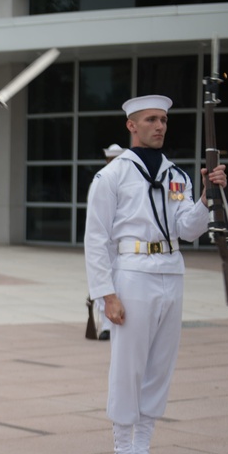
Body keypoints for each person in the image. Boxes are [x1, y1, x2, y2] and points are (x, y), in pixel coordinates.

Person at [84, 94, 227, 454]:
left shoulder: (175, 174)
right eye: (150, 119)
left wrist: (205, 197)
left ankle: (143, 451)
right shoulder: (111, 176)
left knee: (159, 368)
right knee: (129, 368)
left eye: (163, 119)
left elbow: (187, 229)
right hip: (131, 273)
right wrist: (106, 294)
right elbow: (95, 239)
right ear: (131, 125)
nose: (159, 126)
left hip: (171, 269)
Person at [87, 143, 126, 341]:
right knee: (105, 280)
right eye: (110, 158)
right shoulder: (103, 178)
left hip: (123, 243)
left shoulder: (127, 178)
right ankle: (106, 325)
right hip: (107, 241)